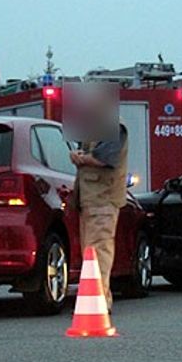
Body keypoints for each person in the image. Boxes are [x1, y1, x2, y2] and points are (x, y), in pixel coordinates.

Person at [69, 121, 129, 310]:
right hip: (92, 199)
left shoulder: (113, 126)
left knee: (98, 252)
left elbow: (105, 159)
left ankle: (98, 303)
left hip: (102, 198)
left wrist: (80, 158)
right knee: (92, 253)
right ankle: (97, 300)